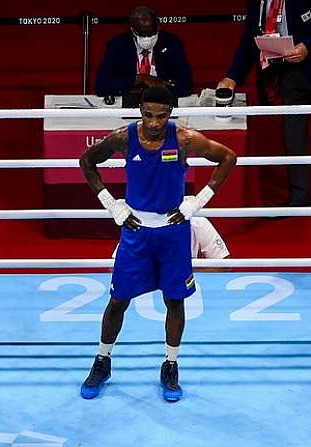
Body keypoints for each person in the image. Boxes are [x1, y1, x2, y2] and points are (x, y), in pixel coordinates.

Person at [78, 86, 237, 402]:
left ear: (171, 114)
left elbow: (228, 157)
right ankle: (102, 360)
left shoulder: (184, 139)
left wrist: (197, 202)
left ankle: (170, 364)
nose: (154, 123)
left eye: (161, 116)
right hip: (136, 231)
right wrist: (113, 206)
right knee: (118, 300)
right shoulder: (124, 137)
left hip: (174, 233)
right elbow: (87, 161)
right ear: (140, 111)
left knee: (175, 301)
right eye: (148, 115)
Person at [219, 0, 311, 207]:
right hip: (289, 73)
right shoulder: (257, 2)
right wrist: (232, 76)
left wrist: (307, 46)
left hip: (306, 61)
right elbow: (249, 39)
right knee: (293, 131)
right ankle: (300, 195)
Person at [95, 5, 193, 98]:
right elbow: (101, 85)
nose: (147, 38)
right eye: (142, 34)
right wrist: (139, 79)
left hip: (164, 103)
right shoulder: (118, 45)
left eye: (152, 33)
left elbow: (186, 84)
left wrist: (160, 88)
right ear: (132, 30)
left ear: (158, 27)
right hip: (128, 104)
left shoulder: (172, 43)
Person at [113, 215, 230, 259]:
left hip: (188, 288)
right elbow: (114, 267)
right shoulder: (139, 223)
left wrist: (186, 273)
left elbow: (224, 264)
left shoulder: (199, 224)